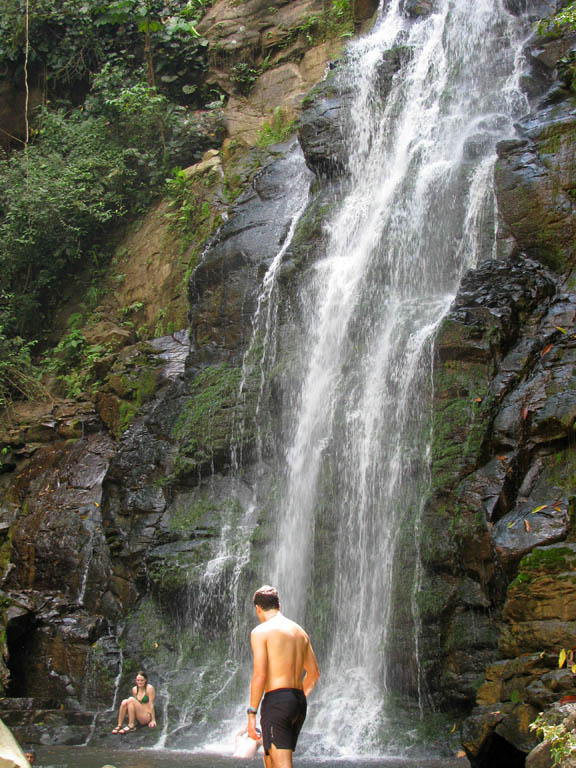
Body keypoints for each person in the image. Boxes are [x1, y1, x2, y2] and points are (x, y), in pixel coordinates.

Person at [246, 585, 320, 768]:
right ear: (279, 605)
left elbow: (260, 675)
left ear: (258, 608)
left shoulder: (260, 632)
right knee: (270, 759)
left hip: (277, 702)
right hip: (297, 703)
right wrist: (295, 698)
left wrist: (251, 713)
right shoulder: (300, 632)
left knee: (282, 764)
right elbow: (313, 674)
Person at [112, 670, 156, 734]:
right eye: (138, 680)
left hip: (146, 716)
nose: (139, 682)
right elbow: (132, 706)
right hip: (138, 715)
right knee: (124, 701)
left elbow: (151, 704)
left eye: (142, 680)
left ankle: (131, 726)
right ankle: (119, 725)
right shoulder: (134, 689)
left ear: (145, 680)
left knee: (131, 699)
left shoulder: (149, 688)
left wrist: (153, 720)